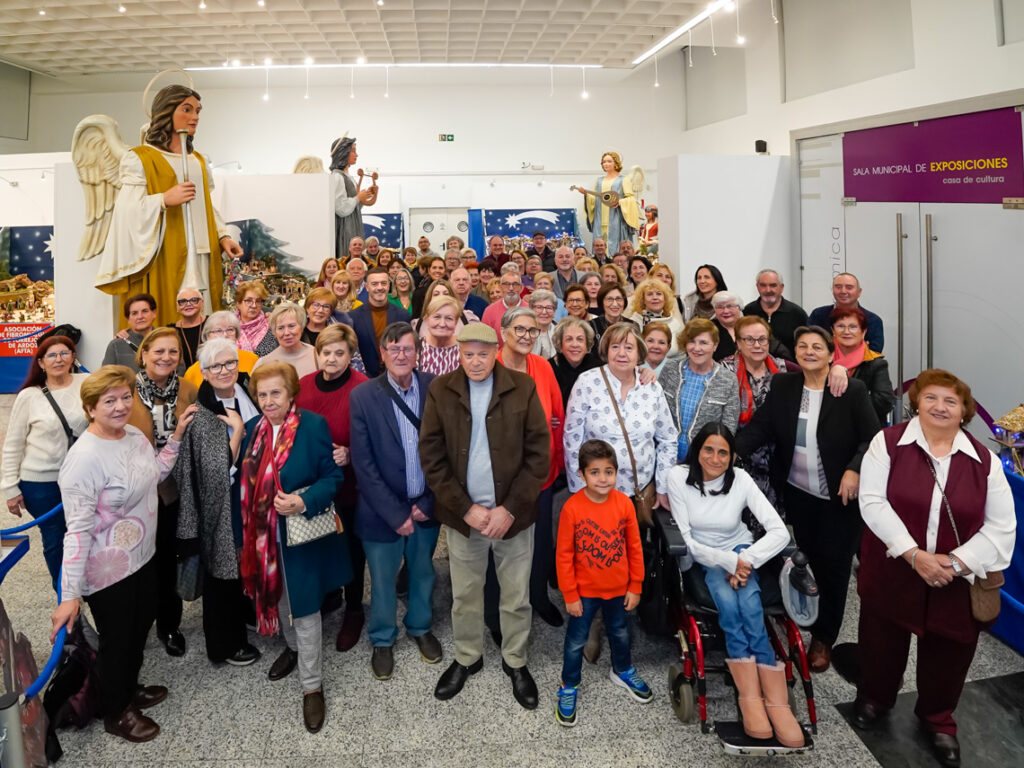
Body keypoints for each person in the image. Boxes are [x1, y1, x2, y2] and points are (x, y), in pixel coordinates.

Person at [854, 369, 1015, 768]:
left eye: (950, 401)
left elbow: (1001, 527)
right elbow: (872, 502)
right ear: (916, 404)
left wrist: (955, 563)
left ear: (964, 411)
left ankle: (938, 718)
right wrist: (914, 555)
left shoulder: (985, 462)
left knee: (951, 649)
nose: (939, 406)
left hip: (954, 578)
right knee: (880, 638)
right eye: (930, 398)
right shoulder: (887, 443)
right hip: (895, 566)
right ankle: (875, 698)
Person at [50, 366, 194, 743]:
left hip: (143, 556)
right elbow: (77, 531)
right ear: (90, 408)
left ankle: (127, 688)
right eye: (109, 401)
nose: (120, 406)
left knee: (138, 629)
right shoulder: (83, 459)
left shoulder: (133, 435)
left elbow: (155, 473)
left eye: (125, 397)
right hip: (107, 571)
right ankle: (116, 711)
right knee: (118, 640)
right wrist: (69, 595)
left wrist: (177, 436)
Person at [735, 326, 881, 673]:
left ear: (831, 354)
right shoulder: (784, 385)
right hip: (798, 494)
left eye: (817, 346)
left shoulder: (850, 390)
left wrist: (854, 469)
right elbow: (761, 428)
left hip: (839, 497)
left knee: (835, 566)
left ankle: (823, 637)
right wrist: (725, 454)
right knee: (808, 558)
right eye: (802, 346)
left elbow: (872, 438)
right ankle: (806, 612)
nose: (809, 351)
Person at [420, 323, 550, 709]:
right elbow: (432, 456)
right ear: (458, 354)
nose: (475, 362)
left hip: (513, 517)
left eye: (482, 354)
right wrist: (466, 508)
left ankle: (516, 660)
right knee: (464, 594)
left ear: (496, 352)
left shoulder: (522, 387)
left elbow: (539, 455)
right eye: (468, 354)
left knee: (516, 595)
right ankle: (467, 657)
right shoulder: (441, 389)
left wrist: (509, 509)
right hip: (465, 518)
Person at [667, 423, 803, 747]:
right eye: (708, 450)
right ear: (697, 450)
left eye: (723, 452)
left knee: (750, 602)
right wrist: (729, 562)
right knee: (730, 603)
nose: (715, 459)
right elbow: (687, 540)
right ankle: (750, 696)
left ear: (732, 456)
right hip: (707, 555)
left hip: (741, 550)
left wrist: (746, 560)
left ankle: (776, 701)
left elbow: (779, 531)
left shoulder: (740, 479)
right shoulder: (678, 478)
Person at [240, 362, 348, 733]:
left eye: (276, 393)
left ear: (290, 395)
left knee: (304, 609)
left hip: (299, 536)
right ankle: (294, 649)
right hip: (263, 541)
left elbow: (332, 477)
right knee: (280, 600)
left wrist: (303, 502)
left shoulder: (312, 426)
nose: (269, 401)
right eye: (262, 394)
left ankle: (311, 686)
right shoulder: (252, 430)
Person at [94, 85, 243, 326]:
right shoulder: (141, 158)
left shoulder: (198, 160)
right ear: (166, 111)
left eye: (198, 111)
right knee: (172, 314)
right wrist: (163, 200)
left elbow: (206, 205)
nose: (195, 116)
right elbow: (127, 210)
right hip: (166, 253)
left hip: (203, 250)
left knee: (204, 314)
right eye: (187, 109)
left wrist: (222, 235)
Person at [349, 322, 442, 680]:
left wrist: (428, 502)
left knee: (422, 572)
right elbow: (363, 463)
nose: (401, 355)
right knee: (383, 580)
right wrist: (395, 513)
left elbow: (448, 449)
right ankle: (383, 638)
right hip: (381, 512)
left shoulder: (435, 387)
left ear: (418, 353)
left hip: (425, 506)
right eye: (394, 349)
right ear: (383, 354)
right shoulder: (363, 395)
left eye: (408, 348)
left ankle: (420, 626)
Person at [173, 337, 260, 667]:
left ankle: (247, 619)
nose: (225, 370)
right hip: (221, 507)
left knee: (242, 569)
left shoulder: (247, 392)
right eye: (215, 366)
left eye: (230, 363)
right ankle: (226, 645)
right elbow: (215, 475)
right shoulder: (201, 416)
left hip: (250, 499)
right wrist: (236, 434)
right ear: (204, 373)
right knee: (222, 576)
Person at [555, 439, 651, 728]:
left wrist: (635, 585)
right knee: (576, 641)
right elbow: (563, 555)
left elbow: (635, 548)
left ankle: (621, 669)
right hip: (583, 593)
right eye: (594, 472)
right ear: (582, 474)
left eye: (609, 472)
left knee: (620, 632)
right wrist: (570, 594)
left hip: (619, 590)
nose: (603, 478)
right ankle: (569, 684)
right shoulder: (572, 508)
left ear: (616, 473)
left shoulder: (624, 504)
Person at [295, 325, 370, 653]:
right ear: (317, 354)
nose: (332, 359)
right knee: (321, 542)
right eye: (326, 352)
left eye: (340, 353)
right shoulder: (303, 386)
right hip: (313, 483)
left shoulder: (363, 388)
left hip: (350, 484)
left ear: (351, 355)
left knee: (351, 547)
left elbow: (377, 437)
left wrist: (350, 453)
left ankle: (354, 608)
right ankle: (330, 596)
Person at [127, 327, 199, 657]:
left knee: (168, 560)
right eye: (158, 351)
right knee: (136, 563)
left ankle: (169, 625)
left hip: (173, 491)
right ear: (143, 354)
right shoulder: (125, 389)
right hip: (134, 493)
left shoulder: (188, 389)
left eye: (173, 352)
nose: (166, 357)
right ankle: (136, 623)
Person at [496, 308, 566, 628]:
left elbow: (557, 415)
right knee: (505, 544)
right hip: (503, 479)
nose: (526, 336)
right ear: (503, 332)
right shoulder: (490, 366)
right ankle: (503, 606)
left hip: (541, 475)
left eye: (532, 330)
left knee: (539, 543)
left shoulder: (542, 366)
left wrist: (557, 461)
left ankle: (538, 595)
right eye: (519, 329)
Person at [2, 335, 88, 590]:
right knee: (55, 538)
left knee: (85, 533)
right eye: (51, 355)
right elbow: (13, 445)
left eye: (64, 353)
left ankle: (87, 587)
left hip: (82, 477)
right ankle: (65, 594)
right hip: (41, 484)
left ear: (73, 357)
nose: (58, 359)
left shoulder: (88, 383)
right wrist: (10, 488)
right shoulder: (29, 396)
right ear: (41, 362)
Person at [563, 322, 677, 513]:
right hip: (595, 491)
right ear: (606, 351)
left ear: (639, 354)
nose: (622, 353)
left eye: (629, 348)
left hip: (639, 492)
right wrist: (578, 489)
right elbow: (572, 439)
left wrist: (663, 486)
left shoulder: (651, 388)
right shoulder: (587, 382)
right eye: (615, 346)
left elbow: (668, 439)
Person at [720, 316, 789, 506]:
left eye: (762, 339)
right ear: (738, 343)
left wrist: (837, 369)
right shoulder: (723, 370)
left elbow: (816, 372)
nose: (757, 345)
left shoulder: (784, 369)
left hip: (776, 460)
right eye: (749, 339)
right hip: (737, 456)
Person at [658, 318, 740, 463]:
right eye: (692, 342)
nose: (696, 348)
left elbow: (728, 427)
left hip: (704, 462)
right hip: (664, 457)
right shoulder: (670, 369)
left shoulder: (728, 379)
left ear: (715, 345)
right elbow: (656, 411)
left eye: (703, 343)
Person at [830, 306, 896, 425]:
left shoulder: (876, 363)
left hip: (864, 427)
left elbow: (884, 402)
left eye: (853, 327)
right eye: (840, 326)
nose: (846, 331)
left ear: (863, 332)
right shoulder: (823, 359)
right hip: (828, 426)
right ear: (833, 330)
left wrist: (843, 403)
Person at [350, 268, 410, 376]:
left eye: (383, 283)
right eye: (374, 284)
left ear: (389, 286)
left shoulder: (403, 315)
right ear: (367, 287)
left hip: (396, 376)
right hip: (365, 378)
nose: (380, 287)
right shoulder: (353, 317)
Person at [808, 272, 884, 352]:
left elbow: (874, 352)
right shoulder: (818, 315)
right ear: (832, 290)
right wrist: (858, 347)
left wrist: (825, 347)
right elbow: (808, 345)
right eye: (838, 287)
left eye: (849, 287)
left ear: (859, 292)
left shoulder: (873, 320)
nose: (843, 291)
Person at [578, 151, 640, 250]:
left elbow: (630, 199)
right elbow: (595, 199)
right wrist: (587, 194)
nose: (606, 164)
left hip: (616, 219)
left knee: (616, 245)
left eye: (609, 161)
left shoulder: (623, 179)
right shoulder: (598, 180)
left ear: (616, 163)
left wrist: (620, 202)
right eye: (604, 162)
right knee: (599, 244)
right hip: (599, 219)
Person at [182, 311, 259, 388]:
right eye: (218, 331)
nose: (225, 335)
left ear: (237, 335)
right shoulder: (193, 372)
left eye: (230, 330)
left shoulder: (252, 359)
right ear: (207, 336)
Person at [742, 269, 807, 358]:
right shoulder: (747, 312)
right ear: (757, 287)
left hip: (788, 365)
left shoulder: (797, 314)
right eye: (763, 285)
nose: (768, 290)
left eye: (773, 285)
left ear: (781, 287)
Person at [329, 135, 373, 261]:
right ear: (343, 153)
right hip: (345, 227)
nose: (356, 155)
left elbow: (354, 206)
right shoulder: (337, 177)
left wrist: (363, 197)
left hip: (353, 223)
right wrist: (358, 198)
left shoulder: (348, 177)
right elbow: (340, 208)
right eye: (353, 151)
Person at [252, 302, 318, 379]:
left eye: (291, 326)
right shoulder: (263, 363)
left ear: (301, 326)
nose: (286, 333)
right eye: (281, 328)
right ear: (274, 332)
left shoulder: (317, 356)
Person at [549, 317, 601, 408]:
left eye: (580, 339)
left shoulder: (598, 369)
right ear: (560, 344)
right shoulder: (548, 368)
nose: (575, 344)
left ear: (587, 344)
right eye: (569, 339)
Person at [102, 293, 157, 369]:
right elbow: (105, 375)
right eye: (134, 313)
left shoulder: (166, 341)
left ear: (154, 313)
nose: (140, 316)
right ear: (128, 319)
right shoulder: (116, 345)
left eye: (145, 311)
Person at [623, 277, 684, 341]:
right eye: (650, 294)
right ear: (643, 300)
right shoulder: (632, 324)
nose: (655, 297)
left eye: (659, 294)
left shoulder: (675, 324)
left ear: (665, 298)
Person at [417, 296, 463, 376]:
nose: (442, 324)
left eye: (449, 318)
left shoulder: (464, 349)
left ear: (456, 322)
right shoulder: (416, 347)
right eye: (437, 317)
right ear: (427, 319)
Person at [481, 269, 529, 339]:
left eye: (515, 284)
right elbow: (484, 338)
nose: (511, 288)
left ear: (521, 288)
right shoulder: (489, 311)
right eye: (507, 284)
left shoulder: (530, 309)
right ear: (501, 287)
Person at [234, 281, 278, 357]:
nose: (254, 305)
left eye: (258, 301)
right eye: (248, 301)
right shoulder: (228, 328)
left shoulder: (271, 326)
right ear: (238, 303)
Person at [589, 282, 633, 346]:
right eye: (609, 299)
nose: (615, 304)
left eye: (618, 299)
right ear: (602, 302)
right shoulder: (591, 326)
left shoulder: (632, 326)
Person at [172, 287, 205, 370]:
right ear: (177, 306)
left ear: (202, 303)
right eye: (183, 301)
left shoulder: (212, 323)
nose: (188, 304)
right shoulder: (171, 331)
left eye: (194, 300)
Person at [710, 290, 746, 362]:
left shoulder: (750, 326)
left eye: (730, 306)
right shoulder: (708, 329)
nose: (725, 311)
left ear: (739, 308)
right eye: (720, 307)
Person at [527, 289, 558, 358]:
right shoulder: (523, 333)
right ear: (531, 310)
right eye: (539, 307)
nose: (544, 312)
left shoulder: (561, 333)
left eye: (549, 308)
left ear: (554, 311)